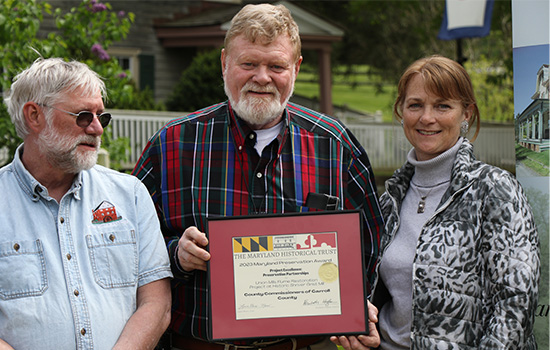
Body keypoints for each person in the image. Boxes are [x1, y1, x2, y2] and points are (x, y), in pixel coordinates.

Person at [133, 3, 383, 350]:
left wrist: (356, 307)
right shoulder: (173, 144)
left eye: (276, 66)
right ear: (225, 63)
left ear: (295, 68)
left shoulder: (334, 145)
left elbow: (370, 243)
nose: (262, 77)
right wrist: (176, 254)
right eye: (248, 63)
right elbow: (126, 247)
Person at [0, 57, 173, 349]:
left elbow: (156, 303)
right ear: (34, 116)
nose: (97, 129)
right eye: (83, 116)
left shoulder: (129, 194)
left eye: (101, 117)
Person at [372, 55, 540, 349]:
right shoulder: (390, 200)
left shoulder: (494, 189)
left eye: (442, 105)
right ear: (402, 112)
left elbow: (516, 304)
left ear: (466, 113)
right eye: (415, 105)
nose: (427, 117)